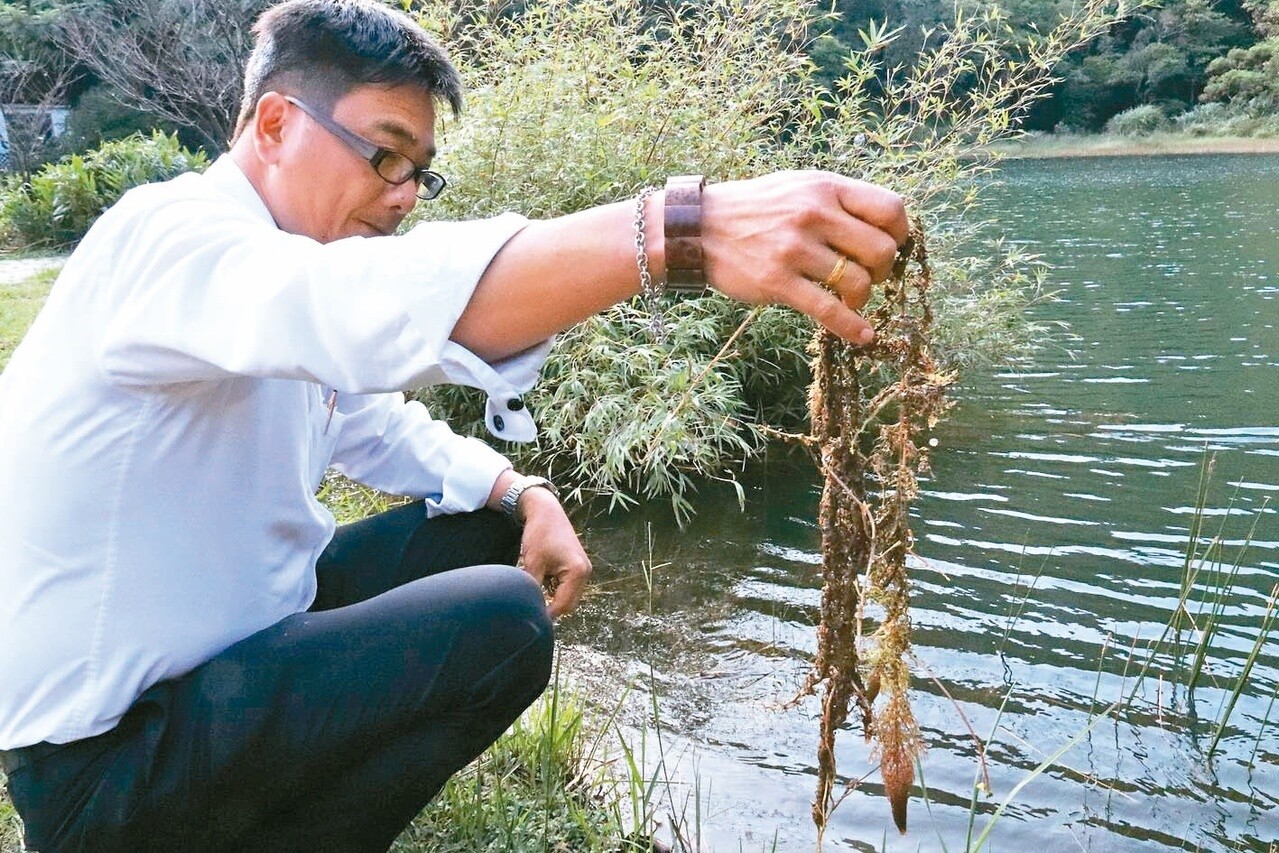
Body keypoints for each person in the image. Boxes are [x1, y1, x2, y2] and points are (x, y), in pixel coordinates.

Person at [0, 0, 909, 850]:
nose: (401, 195)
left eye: (417, 173)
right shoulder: (168, 240)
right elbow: (351, 312)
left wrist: (524, 489)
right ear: (275, 126)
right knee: (506, 619)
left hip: (223, 649)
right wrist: (684, 230)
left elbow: (370, 421)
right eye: (382, 155)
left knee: (487, 532)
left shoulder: (269, 266)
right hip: (107, 760)